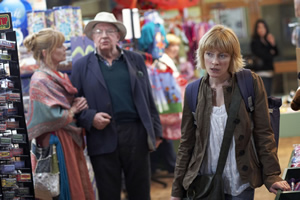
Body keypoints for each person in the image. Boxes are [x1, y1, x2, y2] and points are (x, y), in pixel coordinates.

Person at [171, 24, 290, 200]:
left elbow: (264, 133)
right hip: (204, 182)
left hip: (241, 179)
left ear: (232, 57)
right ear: (202, 55)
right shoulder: (192, 91)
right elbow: (187, 144)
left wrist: (271, 175)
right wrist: (177, 190)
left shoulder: (249, 82)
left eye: (222, 55)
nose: (215, 61)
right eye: (209, 54)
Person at [71, 12, 162, 200]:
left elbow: (147, 97)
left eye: (109, 31)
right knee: (108, 192)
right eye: (98, 31)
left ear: (118, 36)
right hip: (102, 135)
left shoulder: (135, 59)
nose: (104, 35)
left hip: (136, 133)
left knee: (140, 190)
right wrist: (90, 117)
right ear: (92, 37)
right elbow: (74, 106)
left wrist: (156, 130)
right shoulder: (81, 66)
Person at [24, 28, 95, 200]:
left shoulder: (59, 75)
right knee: (65, 186)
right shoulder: (39, 80)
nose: (65, 49)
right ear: (45, 52)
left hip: (68, 138)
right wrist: (73, 110)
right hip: (57, 143)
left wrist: (75, 104)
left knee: (75, 182)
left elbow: (63, 104)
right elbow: (50, 116)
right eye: (60, 46)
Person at [151, 33, 183, 175]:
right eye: (172, 45)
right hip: (166, 104)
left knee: (164, 135)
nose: (175, 48)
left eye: (177, 45)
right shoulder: (163, 61)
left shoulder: (167, 60)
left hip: (169, 102)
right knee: (164, 134)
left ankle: (167, 164)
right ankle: (170, 165)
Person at [250, 19, 278, 96]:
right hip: (261, 73)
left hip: (270, 72)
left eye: (263, 27)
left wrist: (273, 43)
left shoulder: (267, 40)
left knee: (269, 94)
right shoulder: (255, 42)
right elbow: (264, 55)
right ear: (256, 29)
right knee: (265, 96)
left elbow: (276, 53)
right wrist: (270, 52)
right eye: (259, 27)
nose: (261, 29)